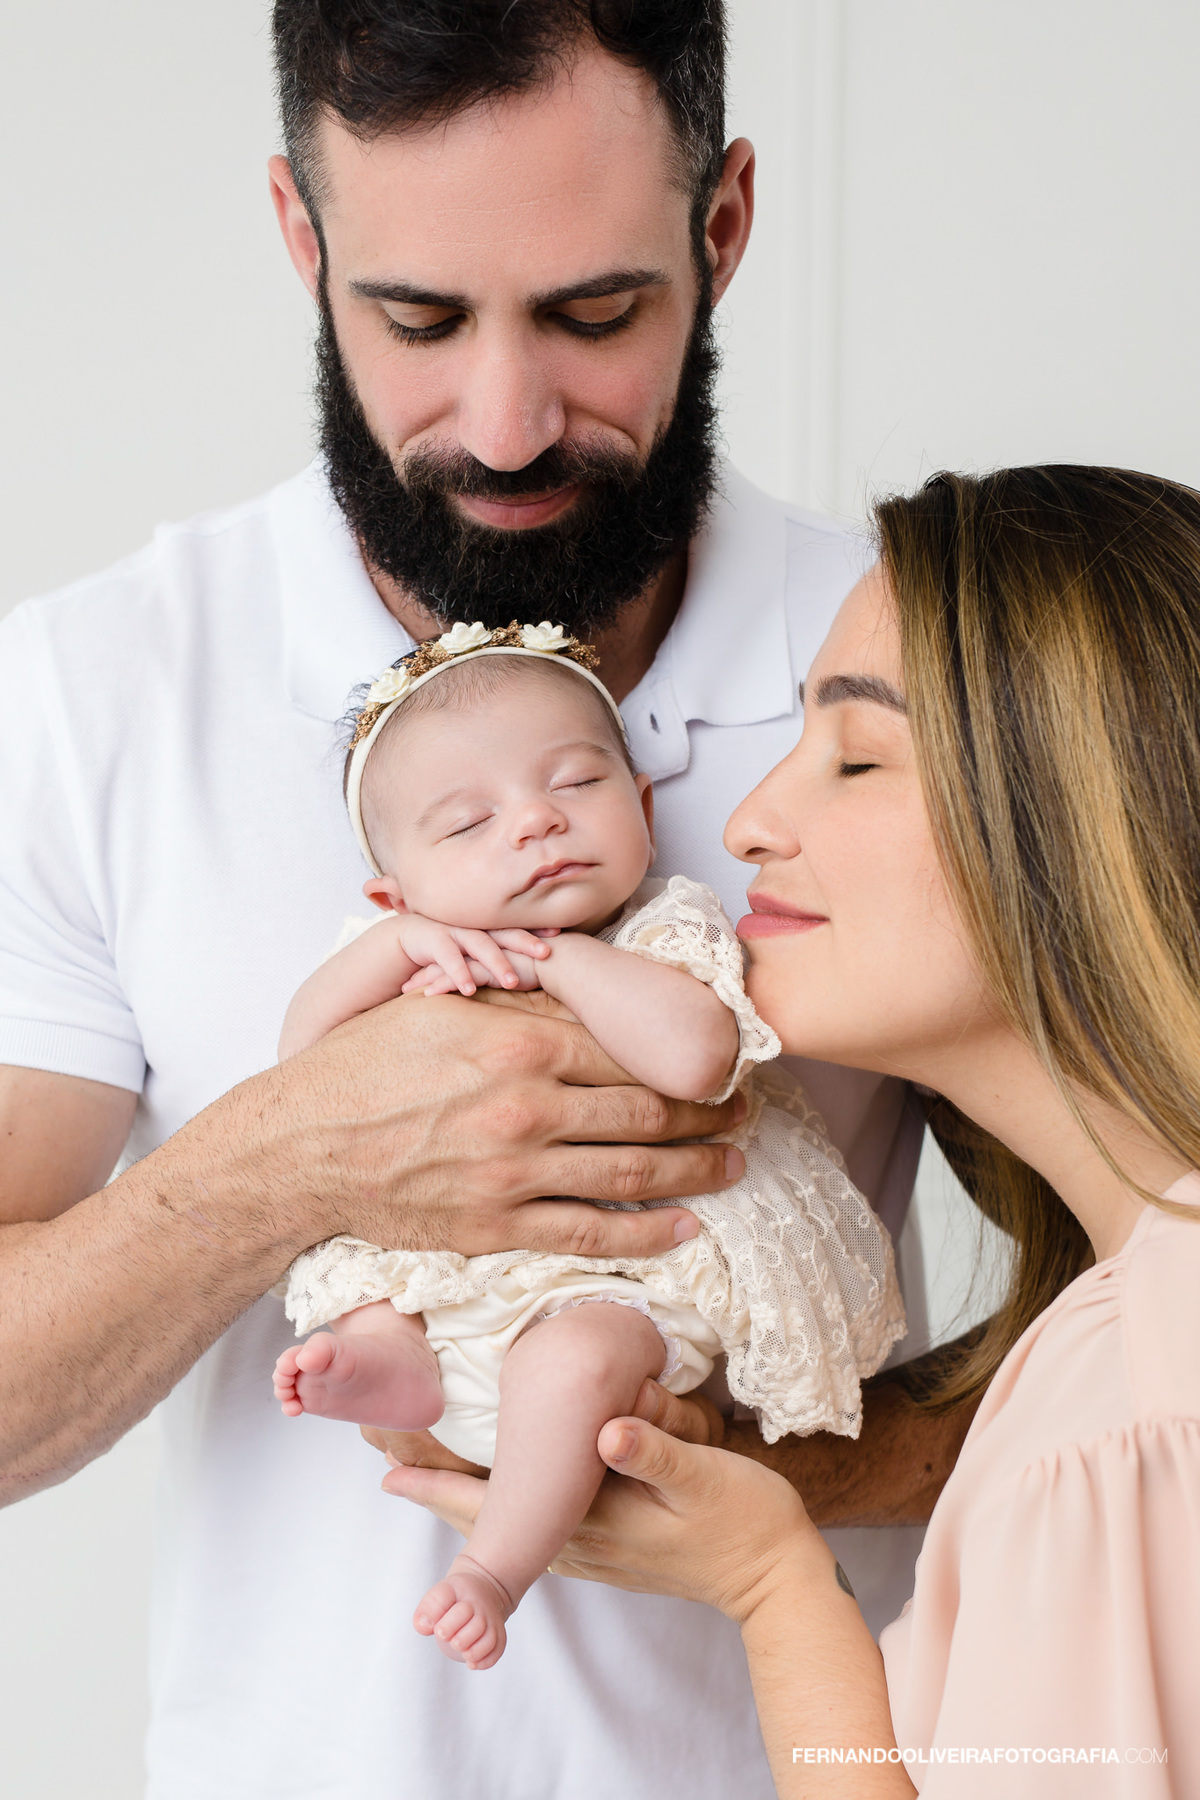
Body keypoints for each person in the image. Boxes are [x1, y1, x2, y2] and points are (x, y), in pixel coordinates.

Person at [0, 5, 966, 1795]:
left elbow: (1148, 1297)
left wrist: (778, 1466)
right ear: (303, 235)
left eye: (595, 316)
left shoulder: (909, 669)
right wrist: (290, 1158)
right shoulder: (91, 693)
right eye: (419, 320)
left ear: (725, 227)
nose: (509, 424)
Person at [389, 464, 1200, 1794]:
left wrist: (774, 1589)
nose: (753, 822)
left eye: (858, 754)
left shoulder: (1126, 1414)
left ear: (1077, 819)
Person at [271, 623, 903, 1669]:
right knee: (340, 1253)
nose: (538, 824)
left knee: (570, 1364)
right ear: (397, 892)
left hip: (617, 1281)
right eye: (471, 822)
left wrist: (561, 962)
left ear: (646, 811)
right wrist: (391, 952)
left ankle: (494, 1568)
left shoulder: (663, 932)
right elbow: (303, 1073)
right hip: (447, 1274)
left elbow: (698, 1056)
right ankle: (389, 1358)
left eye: (575, 783)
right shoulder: (404, 948)